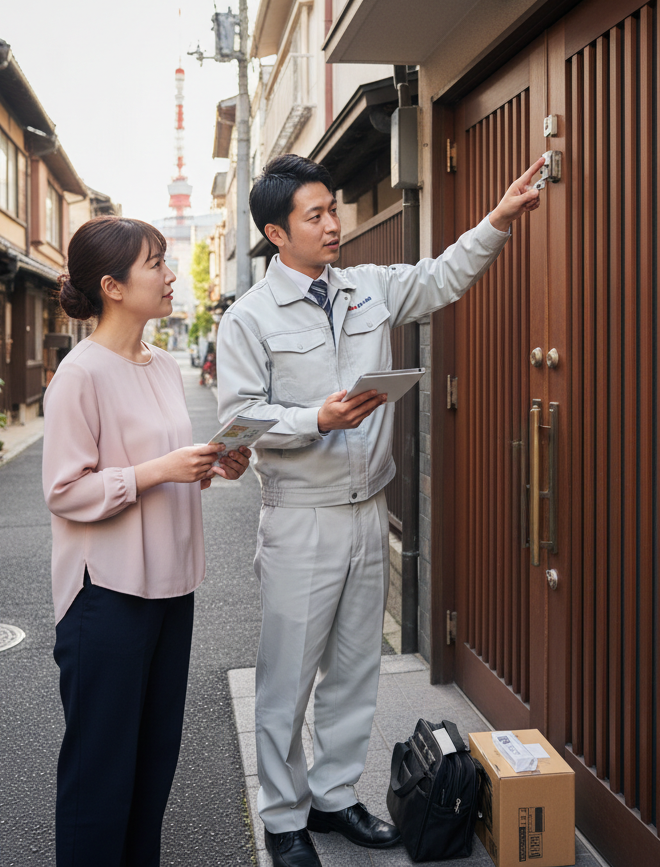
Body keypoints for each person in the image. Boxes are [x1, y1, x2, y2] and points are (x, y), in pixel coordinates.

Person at [216, 152, 545, 867]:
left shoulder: (366, 288)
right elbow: (240, 420)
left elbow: (441, 277)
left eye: (333, 209)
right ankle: (283, 817)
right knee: (286, 681)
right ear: (277, 233)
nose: (333, 224)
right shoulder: (248, 317)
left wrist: (499, 217)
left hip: (369, 509)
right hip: (300, 515)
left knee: (355, 669)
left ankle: (334, 797)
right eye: (315, 215)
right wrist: (317, 419)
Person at [42, 216, 252, 867]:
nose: (170, 275)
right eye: (155, 264)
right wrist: (159, 470)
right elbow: (65, 490)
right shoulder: (80, 374)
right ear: (112, 286)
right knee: (100, 775)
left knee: (153, 763)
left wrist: (209, 465)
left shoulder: (162, 365)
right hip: (105, 594)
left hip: (170, 586)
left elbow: (159, 466)